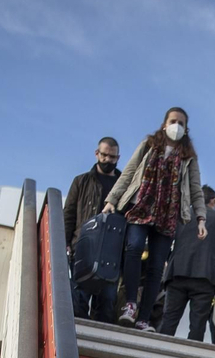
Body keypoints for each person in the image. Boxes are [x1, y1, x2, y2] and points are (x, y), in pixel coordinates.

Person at [104, 107, 207, 330]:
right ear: (164, 123)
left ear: (186, 128)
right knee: (133, 248)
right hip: (141, 206)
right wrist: (112, 199)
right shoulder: (149, 145)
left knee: (156, 266)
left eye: (181, 123)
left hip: (168, 214)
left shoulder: (189, 157)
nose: (176, 126)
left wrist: (201, 217)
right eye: (173, 121)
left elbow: (196, 189)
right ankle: (130, 304)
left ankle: (143, 317)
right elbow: (129, 172)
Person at [157, 185, 215, 343]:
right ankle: (190, 357)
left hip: (177, 272)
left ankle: (158, 350)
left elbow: (166, 241)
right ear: (213, 200)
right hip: (206, 278)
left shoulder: (180, 215)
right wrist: (211, 263)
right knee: (198, 323)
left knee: (169, 318)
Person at [63, 137, 122, 321]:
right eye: (104, 155)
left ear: (118, 158)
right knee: (78, 301)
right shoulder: (81, 181)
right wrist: (64, 243)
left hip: (111, 251)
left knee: (106, 304)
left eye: (112, 157)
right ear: (97, 153)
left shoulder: (123, 186)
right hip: (83, 247)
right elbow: (69, 214)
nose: (107, 160)